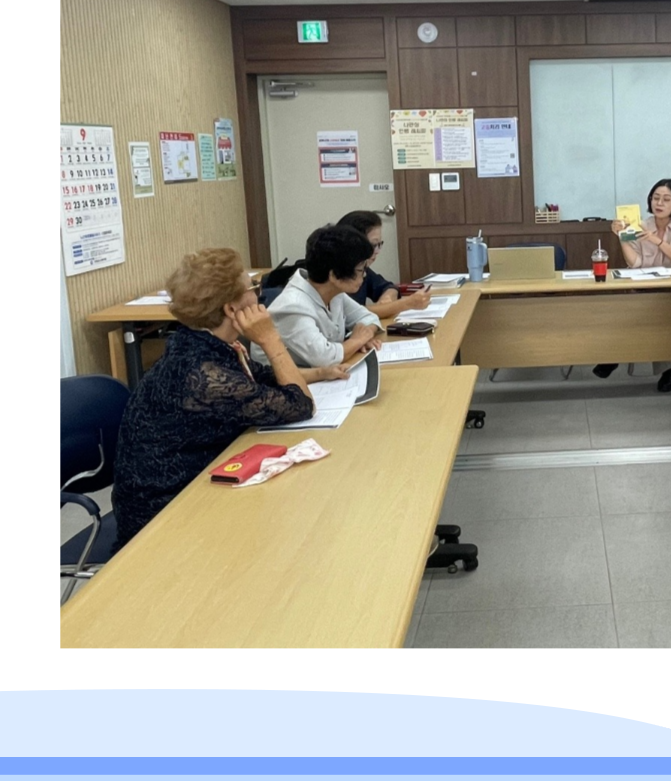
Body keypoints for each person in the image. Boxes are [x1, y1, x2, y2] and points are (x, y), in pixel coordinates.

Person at [112, 248, 346, 548]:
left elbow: (265, 376)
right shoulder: (202, 374)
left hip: (200, 484)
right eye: (252, 287)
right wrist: (270, 338)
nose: (259, 294)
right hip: (165, 517)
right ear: (231, 309)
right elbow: (300, 405)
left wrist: (321, 372)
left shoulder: (200, 341)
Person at [595, 178, 671, 391]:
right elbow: (635, 263)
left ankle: (616, 355)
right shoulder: (641, 224)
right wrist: (623, 237)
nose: (659, 203)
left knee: (648, 311)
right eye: (656, 198)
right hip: (644, 287)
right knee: (640, 309)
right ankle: (665, 370)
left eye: (666, 199)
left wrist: (657, 241)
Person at [261, 223, 388, 368]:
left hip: (320, 374)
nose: (364, 275)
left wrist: (363, 336)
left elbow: (369, 318)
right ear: (334, 275)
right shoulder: (293, 306)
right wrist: (357, 341)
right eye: (360, 269)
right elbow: (324, 359)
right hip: (283, 380)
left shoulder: (334, 293)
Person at [335, 209, 433, 319]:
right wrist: (407, 303)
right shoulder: (337, 273)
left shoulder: (363, 268)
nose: (377, 252)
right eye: (373, 245)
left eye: (379, 244)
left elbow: (389, 286)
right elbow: (352, 313)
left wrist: (387, 297)